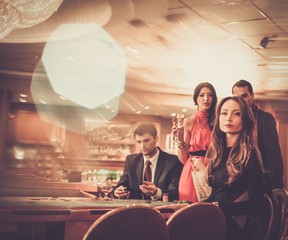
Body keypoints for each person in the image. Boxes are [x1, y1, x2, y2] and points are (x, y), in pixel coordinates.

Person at [206, 96, 265, 240]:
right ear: (218, 117)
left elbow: (256, 205)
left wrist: (218, 207)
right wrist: (195, 206)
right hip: (217, 220)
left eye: (236, 113)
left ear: (245, 120)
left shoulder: (250, 155)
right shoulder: (217, 153)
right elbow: (216, 193)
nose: (228, 118)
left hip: (235, 227)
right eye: (224, 113)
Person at [232, 80, 284, 200]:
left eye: (244, 96)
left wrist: (276, 186)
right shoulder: (231, 119)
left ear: (252, 96)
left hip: (260, 182)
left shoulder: (264, 119)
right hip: (236, 183)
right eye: (237, 97)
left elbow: (273, 154)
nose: (241, 100)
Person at [172, 82, 217, 202]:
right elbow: (183, 159)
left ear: (214, 98)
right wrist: (180, 139)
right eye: (202, 95)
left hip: (213, 169)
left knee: (211, 211)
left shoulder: (219, 122)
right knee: (190, 211)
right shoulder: (188, 122)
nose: (206, 99)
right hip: (192, 170)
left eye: (210, 95)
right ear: (196, 99)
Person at [114, 123, 183, 201]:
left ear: (156, 139)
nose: (142, 146)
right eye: (139, 142)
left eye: (146, 141)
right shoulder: (131, 161)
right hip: (135, 209)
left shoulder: (173, 161)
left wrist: (156, 192)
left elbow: (174, 192)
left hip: (161, 210)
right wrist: (118, 192)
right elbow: (122, 185)